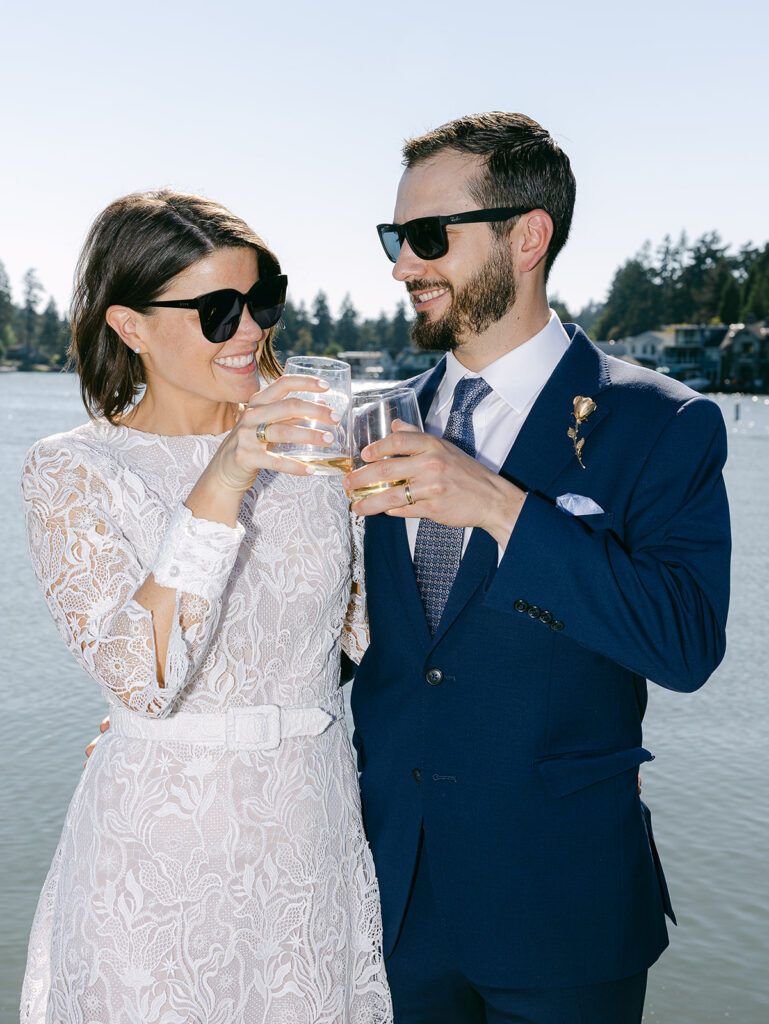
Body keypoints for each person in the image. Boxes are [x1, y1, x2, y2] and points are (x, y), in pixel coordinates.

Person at [341, 112, 731, 1024]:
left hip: (564, 909)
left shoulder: (661, 422)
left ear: (527, 236)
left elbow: (682, 644)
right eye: (395, 240)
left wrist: (498, 507)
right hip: (386, 897)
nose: (402, 265)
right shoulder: (371, 422)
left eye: (428, 237)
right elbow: (351, 638)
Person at [20, 191, 392, 1023]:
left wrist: (390, 517)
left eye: (263, 301)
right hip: (155, 847)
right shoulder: (73, 470)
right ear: (130, 326)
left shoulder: (318, 441)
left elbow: (360, 638)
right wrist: (223, 477)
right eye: (217, 310)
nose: (253, 331)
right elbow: (144, 683)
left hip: (308, 826)